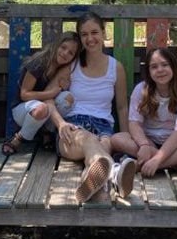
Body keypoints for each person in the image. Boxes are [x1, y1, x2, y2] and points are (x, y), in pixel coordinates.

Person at [48, 11, 136, 203]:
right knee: (89, 141)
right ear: (80, 39)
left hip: (104, 128)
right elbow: (48, 98)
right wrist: (61, 124)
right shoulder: (72, 66)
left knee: (102, 148)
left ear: (104, 33)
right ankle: (115, 173)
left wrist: (126, 135)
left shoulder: (116, 67)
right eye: (84, 34)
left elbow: (121, 107)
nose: (90, 38)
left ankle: (92, 178)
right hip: (72, 129)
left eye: (94, 32)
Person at [111, 47, 177, 176]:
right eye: (154, 67)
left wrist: (157, 160)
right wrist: (144, 145)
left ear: (173, 67)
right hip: (149, 140)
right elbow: (135, 123)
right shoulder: (141, 90)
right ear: (149, 72)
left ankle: (144, 165)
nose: (160, 70)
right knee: (117, 139)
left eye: (164, 64)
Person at [2, 31, 80, 155]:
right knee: (42, 107)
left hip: (42, 110)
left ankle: (47, 131)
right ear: (56, 45)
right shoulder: (39, 62)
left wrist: (64, 88)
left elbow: (59, 96)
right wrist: (50, 94)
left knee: (67, 98)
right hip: (23, 110)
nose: (65, 53)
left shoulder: (62, 68)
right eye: (63, 47)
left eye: (70, 53)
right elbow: (25, 94)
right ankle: (18, 138)